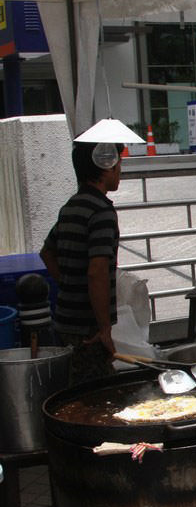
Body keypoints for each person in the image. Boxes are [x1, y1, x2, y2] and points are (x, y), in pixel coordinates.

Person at [40, 141, 123, 384]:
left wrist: (67, 282)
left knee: (75, 390)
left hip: (65, 320)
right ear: (106, 167)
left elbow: (47, 252)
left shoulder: (70, 207)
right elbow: (96, 271)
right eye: (118, 165)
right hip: (89, 328)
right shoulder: (101, 211)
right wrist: (104, 329)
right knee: (97, 396)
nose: (120, 171)